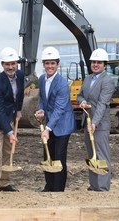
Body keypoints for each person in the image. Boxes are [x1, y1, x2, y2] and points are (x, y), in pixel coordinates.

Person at [35, 46, 75, 192]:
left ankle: (58, 189)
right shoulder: (41, 79)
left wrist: (47, 128)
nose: (50, 66)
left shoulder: (63, 84)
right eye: (47, 63)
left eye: (53, 63)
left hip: (62, 125)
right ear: (44, 64)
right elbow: (43, 99)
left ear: (57, 65)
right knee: (47, 154)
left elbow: (59, 109)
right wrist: (41, 109)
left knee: (58, 157)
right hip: (50, 124)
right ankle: (49, 185)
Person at [0, 47, 24, 192]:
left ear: (16, 64)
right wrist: (9, 132)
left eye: (13, 63)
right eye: (7, 64)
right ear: (2, 65)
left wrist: (19, 110)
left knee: (8, 152)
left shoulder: (20, 75)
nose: (10, 67)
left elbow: (20, 95)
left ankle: (4, 183)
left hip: (11, 116)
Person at [77, 48, 115, 192]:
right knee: (91, 154)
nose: (96, 64)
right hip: (87, 122)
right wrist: (82, 102)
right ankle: (94, 185)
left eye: (99, 62)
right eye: (94, 62)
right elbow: (79, 95)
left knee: (101, 154)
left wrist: (95, 122)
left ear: (104, 64)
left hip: (99, 124)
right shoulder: (87, 79)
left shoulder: (107, 81)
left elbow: (102, 104)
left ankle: (103, 187)